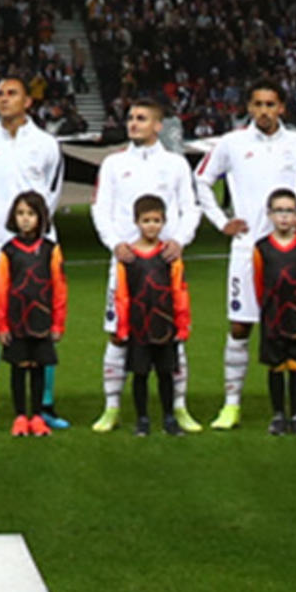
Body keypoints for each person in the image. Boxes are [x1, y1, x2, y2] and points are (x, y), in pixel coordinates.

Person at [197, 80, 296, 432]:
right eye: (258, 104)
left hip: (292, 252)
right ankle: (231, 403)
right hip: (247, 249)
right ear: (249, 108)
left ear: (282, 108)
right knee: (240, 327)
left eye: (271, 104)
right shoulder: (232, 143)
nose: (264, 111)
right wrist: (223, 222)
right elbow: (202, 180)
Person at [90, 98, 202, 434]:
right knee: (118, 334)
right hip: (125, 265)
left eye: (141, 118)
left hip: (165, 266)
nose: (133, 123)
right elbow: (100, 209)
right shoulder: (112, 164)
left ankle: (178, 408)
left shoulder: (175, 165)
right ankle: (112, 408)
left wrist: (179, 241)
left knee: (172, 336)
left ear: (158, 125)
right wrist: (115, 244)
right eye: (130, 118)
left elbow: (190, 208)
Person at [0, 76, 63, 430]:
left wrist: (31, 235)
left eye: (12, 94)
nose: (4, 99)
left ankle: (45, 405)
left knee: (42, 325)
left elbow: (50, 196)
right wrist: (1, 231)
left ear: (28, 101)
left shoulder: (47, 145)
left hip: (39, 252)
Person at [0, 190, 68, 439]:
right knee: (19, 366)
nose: (25, 219)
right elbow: (2, 288)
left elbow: (59, 287)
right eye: (21, 213)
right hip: (16, 320)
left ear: (41, 217)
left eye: (31, 214)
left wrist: (58, 322)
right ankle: (20, 416)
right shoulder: (8, 251)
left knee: (38, 367)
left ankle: (37, 415)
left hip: (42, 319)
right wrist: (1, 324)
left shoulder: (50, 250)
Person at [247, 186, 296, 437]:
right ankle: (278, 414)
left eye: (289, 211)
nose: (284, 217)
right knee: (276, 365)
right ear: (269, 214)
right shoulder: (261, 248)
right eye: (279, 211)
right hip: (272, 314)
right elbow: (258, 282)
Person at [112, 194, 190, 438]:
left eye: (156, 220)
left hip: (165, 326)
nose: (151, 225)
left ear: (164, 222)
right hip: (138, 327)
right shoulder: (128, 258)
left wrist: (182, 324)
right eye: (146, 220)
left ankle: (169, 417)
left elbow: (179, 291)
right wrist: (122, 327)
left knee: (166, 373)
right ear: (136, 222)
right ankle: (142, 419)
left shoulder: (169, 257)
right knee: (140, 374)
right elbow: (122, 295)